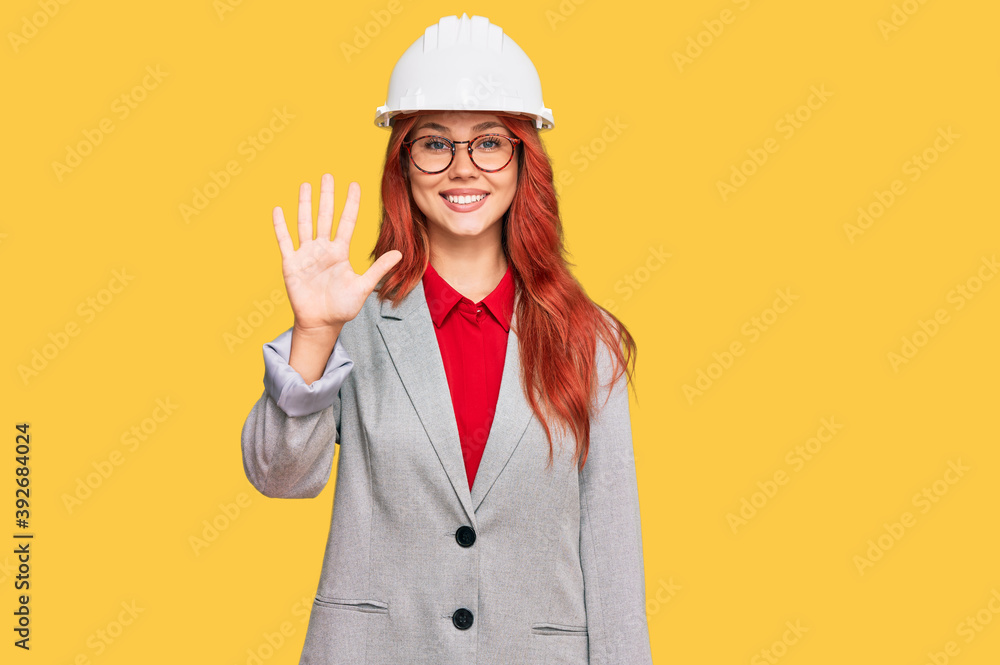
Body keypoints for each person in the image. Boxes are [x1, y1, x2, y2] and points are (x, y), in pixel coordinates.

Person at [241, 13, 653, 665]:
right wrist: (314, 335)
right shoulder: (352, 319)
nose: (463, 168)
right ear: (403, 161)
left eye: (489, 142)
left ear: (524, 158)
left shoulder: (587, 338)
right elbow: (279, 474)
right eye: (435, 143)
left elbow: (613, 564)